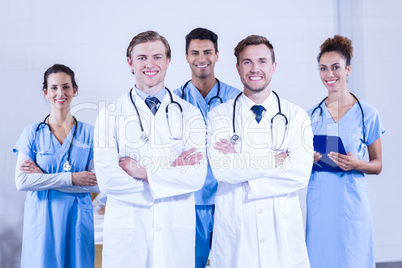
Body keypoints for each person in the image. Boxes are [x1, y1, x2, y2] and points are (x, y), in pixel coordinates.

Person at [94, 30, 208, 268]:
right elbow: (108, 181)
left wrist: (143, 173)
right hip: (128, 234)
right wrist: (171, 176)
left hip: (173, 232)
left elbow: (196, 177)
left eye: (157, 57)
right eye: (142, 58)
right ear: (130, 63)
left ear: (168, 61)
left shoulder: (190, 114)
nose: (150, 64)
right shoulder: (110, 115)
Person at [206, 35, 313, 267]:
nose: (255, 69)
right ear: (237, 68)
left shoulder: (296, 116)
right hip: (237, 231)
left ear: (273, 66)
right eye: (247, 62)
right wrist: (273, 161)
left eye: (262, 61)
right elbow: (222, 170)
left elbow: (300, 173)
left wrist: (243, 167)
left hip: (281, 232)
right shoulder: (219, 116)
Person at [306, 35, 384, 268]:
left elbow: (378, 164)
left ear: (348, 69)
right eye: (323, 68)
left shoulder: (367, 114)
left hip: (351, 204)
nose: (329, 74)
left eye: (336, 67)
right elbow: (298, 162)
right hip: (320, 207)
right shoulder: (310, 116)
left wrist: (357, 164)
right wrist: (307, 160)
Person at [13, 64, 99, 268]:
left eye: (66, 87)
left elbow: (97, 184)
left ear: (74, 90)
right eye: (53, 88)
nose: (60, 93)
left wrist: (42, 177)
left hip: (76, 221)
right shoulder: (32, 133)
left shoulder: (90, 134)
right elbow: (22, 181)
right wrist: (72, 178)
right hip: (42, 224)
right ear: (45, 92)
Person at [173, 27, 241, 267]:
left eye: (207, 52)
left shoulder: (236, 99)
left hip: (227, 198)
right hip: (189, 200)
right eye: (195, 52)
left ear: (217, 55)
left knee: (232, 262)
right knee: (190, 262)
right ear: (186, 57)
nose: (201, 58)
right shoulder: (174, 101)